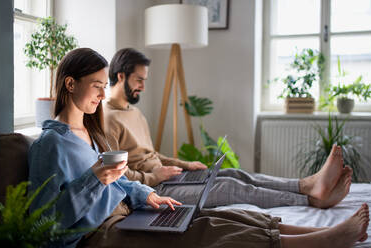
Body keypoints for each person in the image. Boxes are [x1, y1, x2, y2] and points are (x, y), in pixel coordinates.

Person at [29, 48, 369, 248]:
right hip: (100, 233)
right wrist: (97, 179)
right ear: (70, 84)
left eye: (104, 86)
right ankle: (323, 242)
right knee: (203, 231)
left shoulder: (87, 131)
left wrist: (145, 195)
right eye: (96, 86)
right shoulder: (50, 145)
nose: (102, 95)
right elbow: (43, 226)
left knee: (212, 214)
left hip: (127, 211)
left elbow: (115, 181)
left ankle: (320, 228)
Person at [104, 48, 352, 209]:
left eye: (145, 81)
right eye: (139, 80)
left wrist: (185, 165)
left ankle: (306, 184)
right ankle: (311, 199)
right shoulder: (107, 119)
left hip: (166, 177)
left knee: (235, 175)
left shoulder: (134, 112)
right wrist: (152, 178)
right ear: (121, 76)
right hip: (151, 191)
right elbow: (118, 176)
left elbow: (152, 154)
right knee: (230, 188)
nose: (143, 87)